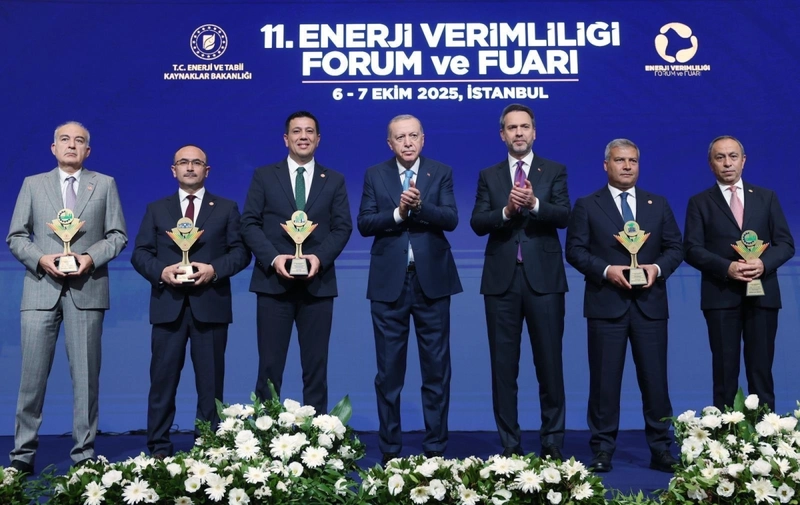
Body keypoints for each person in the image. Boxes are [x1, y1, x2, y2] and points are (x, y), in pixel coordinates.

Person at [6, 121, 127, 473]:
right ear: (53, 148)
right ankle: (22, 456)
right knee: (31, 378)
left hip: (86, 290)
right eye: (64, 140)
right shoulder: (33, 184)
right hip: (40, 288)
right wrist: (41, 259)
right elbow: (16, 236)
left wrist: (90, 258)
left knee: (86, 380)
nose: (71, 145)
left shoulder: (104, 184)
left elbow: (117, 235)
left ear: (88, 150)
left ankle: (83, 456)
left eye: (79, 141)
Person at [565, 138, 683, 473]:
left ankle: (661, 450)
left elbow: (676, 247)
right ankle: (602, 449)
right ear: (606, 165)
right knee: (604, 382)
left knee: (655, 381)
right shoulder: (588, 205)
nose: (627, 166)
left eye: (633, 160)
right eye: (620, 160)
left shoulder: (657, 204)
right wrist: (606, 270)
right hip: (606, 305)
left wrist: (655, 269)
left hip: (650, 305)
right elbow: (574, 250)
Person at [130, 145, 250, 458]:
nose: (190, 167)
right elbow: (140, 253)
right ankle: (159, 447)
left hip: (210, 306)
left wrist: (214, 270)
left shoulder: (225, 208)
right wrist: (161, 271)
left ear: (207, 170)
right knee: (162, 382)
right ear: (174, 170)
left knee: (211, 384)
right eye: (183, 162)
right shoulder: (157, 209)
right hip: (168, 305)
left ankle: (207, 447)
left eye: (197, 162)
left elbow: (240, 253)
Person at [357, 114, 462, 463]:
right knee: (389, 373)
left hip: (432, 282)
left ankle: (435, 448)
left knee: (436, 370)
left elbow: (451, 218)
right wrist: (399, 213)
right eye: (400, 137)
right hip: (390, 284)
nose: (407, 142)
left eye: (413, 136)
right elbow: (365, 223)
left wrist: (420, 207)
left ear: (423, 139)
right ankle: (390, 450)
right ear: (390, 143)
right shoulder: (375, 174)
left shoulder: (440, 172)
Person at [470, 104, 569, 460]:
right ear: (502, 135)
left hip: (545, 281)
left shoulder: (554, 171)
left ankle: (552, 442)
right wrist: (507, 212)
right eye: (512, 128)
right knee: (503, 367)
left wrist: (535, 203)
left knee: (550, 365)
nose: (519, 133)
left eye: (524, 127)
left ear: (534, 132)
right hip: (501, 283)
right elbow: (478, 222)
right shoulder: (489, 175)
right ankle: (510, 444)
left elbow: (564, 215)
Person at [241, 111, 352, 414]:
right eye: (297, 131)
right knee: (269, 365)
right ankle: (265, 431)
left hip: (318, 285)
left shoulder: (334, 180)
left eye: (309, 131)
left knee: (315, 366)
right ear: (285, 138)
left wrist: (319, 257)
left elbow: (343, 227)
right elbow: (249, 223)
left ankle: (316, 433)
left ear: (318, 139)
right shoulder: (264, 176)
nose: (303, 136)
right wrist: (274, 258)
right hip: (273, 284)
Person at [684, 135, 794, 412]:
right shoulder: (699, 202)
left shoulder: (767, 197)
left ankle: (765, 430)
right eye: (720, 157)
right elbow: (692, 249)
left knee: (761, 369)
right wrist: (727, 267)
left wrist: (764, 264)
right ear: (711, 164)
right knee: (724, 370)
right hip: (721, 296)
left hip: (763, 295)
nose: (727, 163)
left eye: (733, 156)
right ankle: (725, 432)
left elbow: (785, 244)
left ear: (743, 161)